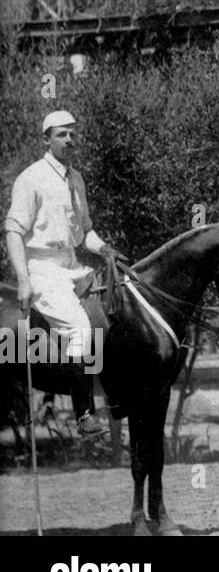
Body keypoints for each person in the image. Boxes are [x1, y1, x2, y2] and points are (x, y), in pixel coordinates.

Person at [4, 110, 126, 436]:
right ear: (46, 139)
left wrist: (105, 250)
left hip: (73, 266)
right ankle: (84, 415)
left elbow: (86, 232)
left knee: (113, 312)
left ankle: (116, 397)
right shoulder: (31, 178)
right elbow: (14, 232)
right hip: (43, 269)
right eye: (61, 134)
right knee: (79, 328)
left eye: (73, 134)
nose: (69, 140)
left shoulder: (76, 179)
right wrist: (24, 281)